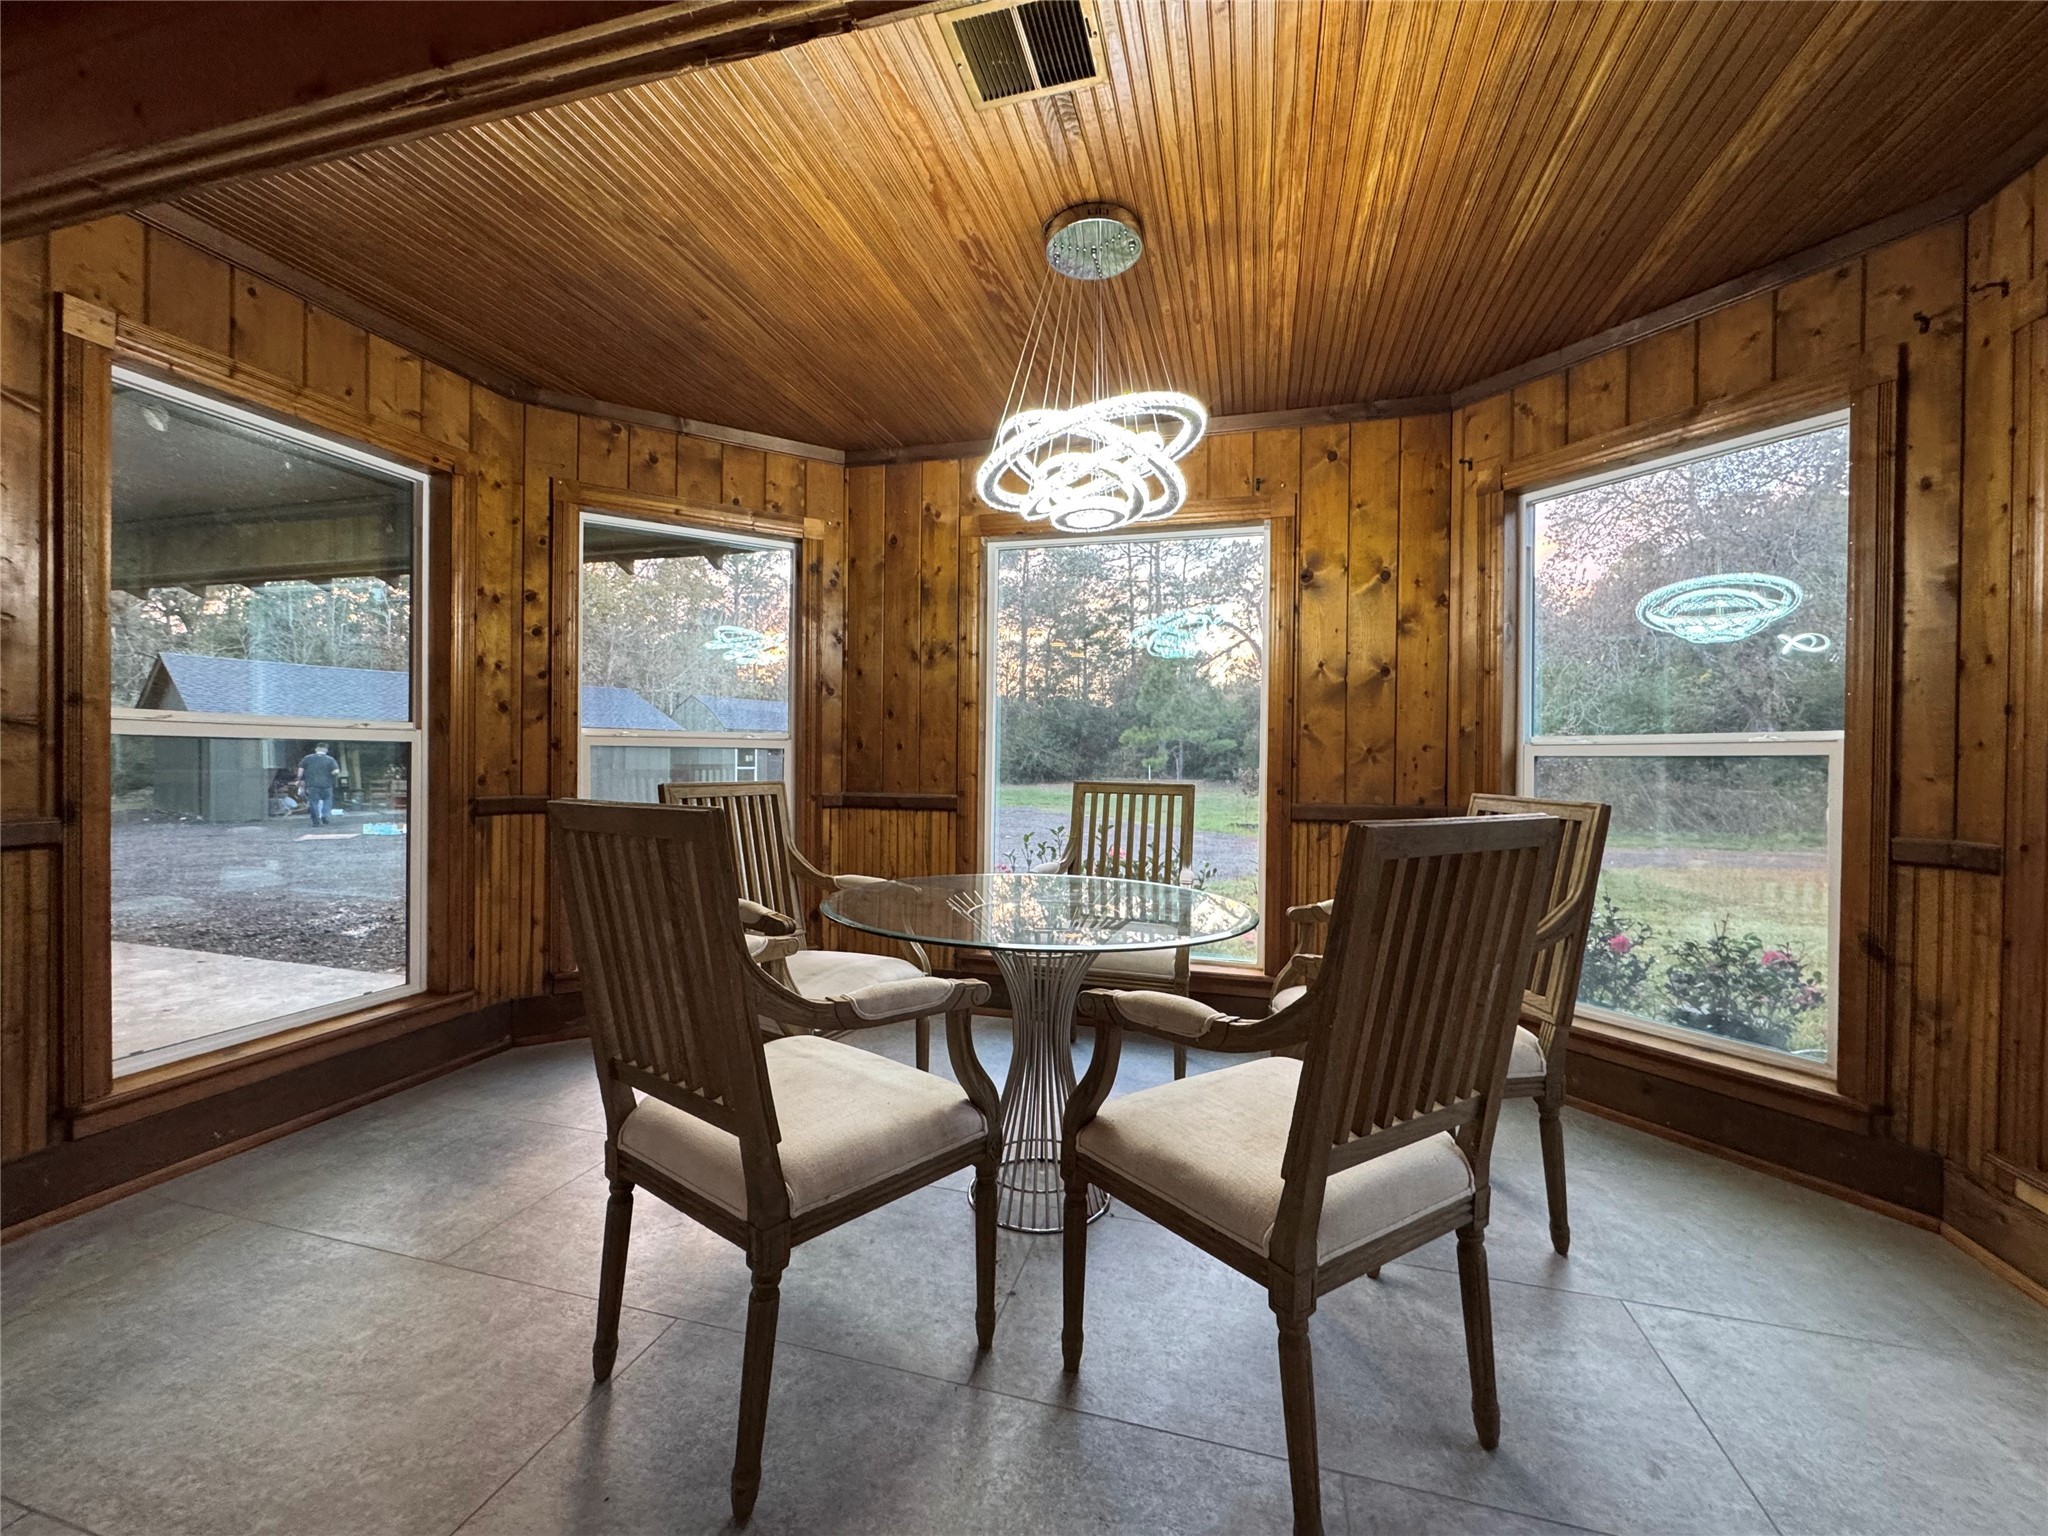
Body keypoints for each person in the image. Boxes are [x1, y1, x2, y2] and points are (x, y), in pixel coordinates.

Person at [297, 742, 341, 827]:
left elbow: (300, 771)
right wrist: (333, 774)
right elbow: (336, 771)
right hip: (326, 785)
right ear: (326, 750)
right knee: (327, 801)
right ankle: (324, 815)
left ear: (316, 749)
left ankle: (316, 821)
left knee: (313, 802)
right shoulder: (330, 759)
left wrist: (300, 780)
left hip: (312, 785)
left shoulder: (307, 758)